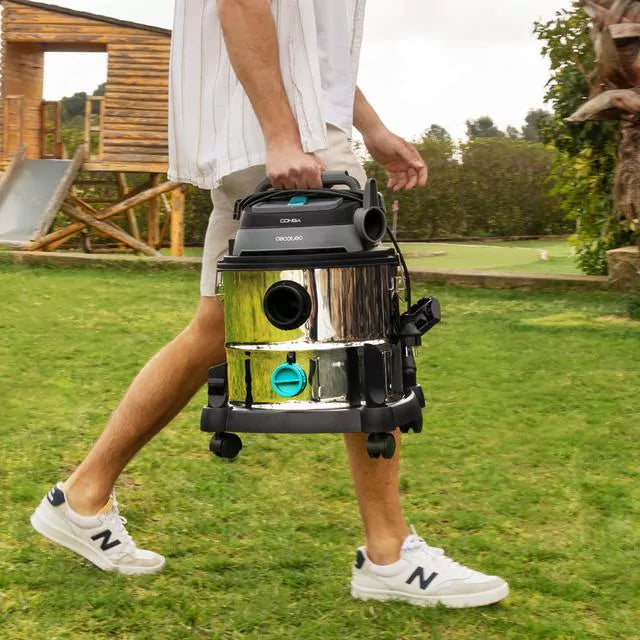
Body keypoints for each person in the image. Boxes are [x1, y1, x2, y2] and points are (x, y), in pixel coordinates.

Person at [31, 0, 508, 608]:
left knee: (216, 327)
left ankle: (83, 495)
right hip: (286, 136)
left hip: (261, 135)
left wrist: (372, 127)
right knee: (361, 324)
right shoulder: (286, 132)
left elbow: (308, 52)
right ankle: (388, 553)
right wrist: (283, 135)